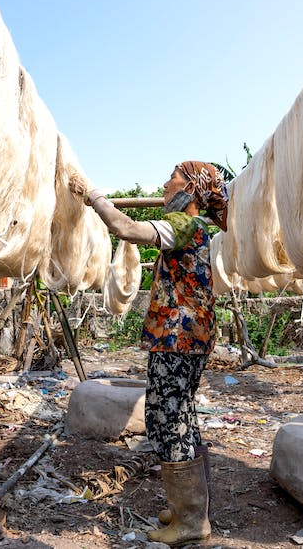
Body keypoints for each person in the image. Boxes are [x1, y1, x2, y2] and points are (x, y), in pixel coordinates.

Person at [69, 161, 228, 547]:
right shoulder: (191, 229)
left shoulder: (185, 225)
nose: (164, 183)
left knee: (167, 420)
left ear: (191, 187)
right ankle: (190, 510)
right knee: (180, 417)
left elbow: (124, 228)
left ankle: (192, 523)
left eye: (172, 177)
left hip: (179, 339)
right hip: (185, 339)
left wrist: (93, 194)